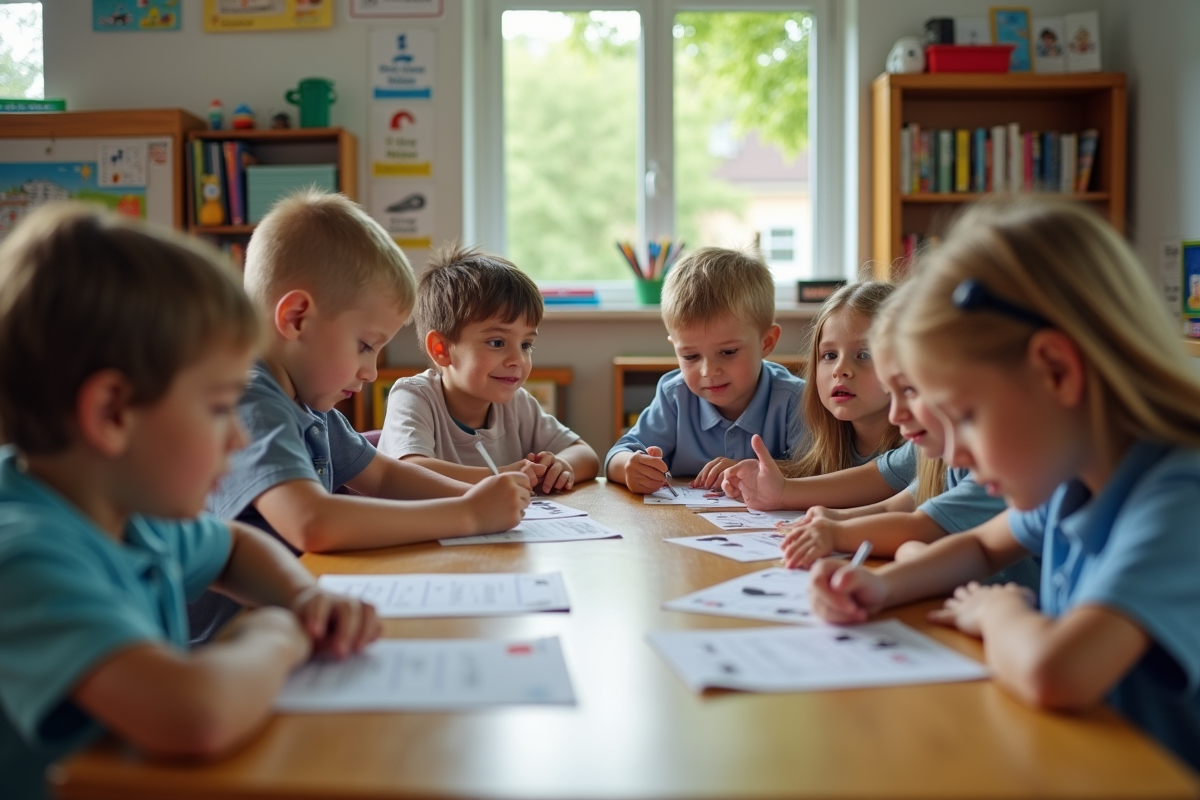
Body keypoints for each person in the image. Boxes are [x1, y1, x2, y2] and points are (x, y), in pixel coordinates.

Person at [0, 205, 380, 800]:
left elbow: (231, 546)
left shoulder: (127, 513)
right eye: (218, 407)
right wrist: (281, 630)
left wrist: (304, 596)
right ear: (112, 414)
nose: (236, 436)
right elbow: (194, 714)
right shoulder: (25, 555)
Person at [808, 197, 1200, 771]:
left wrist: (999, 611)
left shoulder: (1177, 499)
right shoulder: (1076, 481)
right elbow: (979, 545)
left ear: (1056, 372)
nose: (957, 450)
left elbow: (1053, 672)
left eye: (966, 416)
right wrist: (882, 589)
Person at [191, 191, 530, 642]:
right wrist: (468, 514)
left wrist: (481, 497)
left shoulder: (308, 402)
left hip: (296, 624)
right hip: (227, 648)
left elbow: (383, 478)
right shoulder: (249, 401)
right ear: (296, 318)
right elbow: (312, 522)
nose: (371, 372)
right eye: (366, 346)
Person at [779, 283, 1037, 592]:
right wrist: (836, 523)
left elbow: (922, 527)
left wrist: (837, 532)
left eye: (911, 390)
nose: (896, 413)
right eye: (894, 391)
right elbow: (962, 543)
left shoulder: (1003, 462)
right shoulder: (949, 457)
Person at [377, 244, 599, 494]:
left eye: (526, 345)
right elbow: (411, 472)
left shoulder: (518, 405)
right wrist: (501, 476)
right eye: (497, 343)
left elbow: (587, 455)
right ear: (442, 349)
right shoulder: (413, 396)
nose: (518, 360)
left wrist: (562, 465)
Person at [605, 247, 806, 493]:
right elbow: (618, 454)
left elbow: (819, 468)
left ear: (766, 342)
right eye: (690, 356)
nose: (708, 371)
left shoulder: (795, 400)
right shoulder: (674, 396)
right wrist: (629, 466)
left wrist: (752, 469)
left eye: (728, 352)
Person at [721, 282, 902, 508]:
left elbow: (880, 479)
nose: (839, 369)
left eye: (864, 354)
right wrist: (757, 474)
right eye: (829, 355)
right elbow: (811, 472)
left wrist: (782, 491)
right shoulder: (829, 444)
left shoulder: (924, 443)